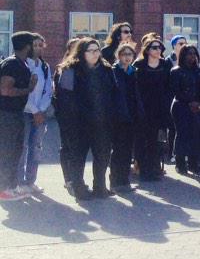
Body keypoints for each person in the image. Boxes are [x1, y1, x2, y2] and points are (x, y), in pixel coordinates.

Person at [57, 38, 119, 199]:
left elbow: (114, 93)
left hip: (102, 122)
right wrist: (70, 121)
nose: (95, 54)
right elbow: (64, 98)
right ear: (81, 52)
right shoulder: (70, 69)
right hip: (79, 123)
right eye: (91, 50)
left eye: (97, 50)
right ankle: (79, 188)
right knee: (78, 157)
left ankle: (100, 187)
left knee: (102, 155)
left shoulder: (106, 69)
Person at [0, 32, 39, 201]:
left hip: (15, 114)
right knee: (7, 151)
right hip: (7, 115)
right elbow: (5, 90)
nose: (36, 48)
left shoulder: (21, 63)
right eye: (34, 44)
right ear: (27, 46)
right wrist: (28, 89)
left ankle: (12, 186)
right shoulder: (12, 64)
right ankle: (3, 189)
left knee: (16, 151)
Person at [133, 36, 173, 183]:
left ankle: (153, 168)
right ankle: (142, 169)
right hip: (143, 106)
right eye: (154, 47)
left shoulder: (165, 64)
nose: (158, 50)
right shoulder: (139, 64)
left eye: (160, 48)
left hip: (159, 107)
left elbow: (169, 85)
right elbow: (134, 86)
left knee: (154, 140)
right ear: (147, 50)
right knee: (141, 139)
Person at [18, 33, 51, 196]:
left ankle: (31, 181)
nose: (37, 48)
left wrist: (42, 109)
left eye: (40, 45)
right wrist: (34, 110)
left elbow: (48, 91)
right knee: (22, 148)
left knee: (36, 147)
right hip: (25, 112)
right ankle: (19, 182)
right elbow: (25, 92)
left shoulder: (44, 66)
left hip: (40, 112)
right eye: (34, 45)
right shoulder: (24, 65)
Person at [169, 45, 200, 174]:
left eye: (194, 54)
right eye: (189, 54)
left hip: (197, 107)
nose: (192, 56)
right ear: (183, 56)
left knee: (196, 134)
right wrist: (190, 101)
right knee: (182, 134)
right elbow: (175, 91)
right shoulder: (176, 71)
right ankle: (180, 163)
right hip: (181, 106)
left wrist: (199, 103)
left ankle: (193, 163)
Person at [109, 43, 142, 193]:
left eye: (130, 54)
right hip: (117, 115)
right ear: (118, 56)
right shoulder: (113, 71)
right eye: (124, 54)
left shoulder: (134, 71)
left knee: (128, 150)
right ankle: (115, 181)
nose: (127, 57)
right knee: (118, 150)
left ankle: (124, 180)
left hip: (132, 114)